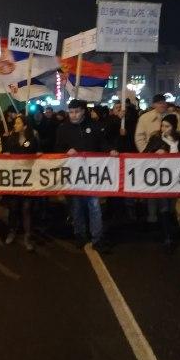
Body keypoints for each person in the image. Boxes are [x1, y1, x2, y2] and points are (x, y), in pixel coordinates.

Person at [55, 100, 117, 252]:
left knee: (94, 206)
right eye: (71, 112)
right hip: (74, 176)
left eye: (76, 112)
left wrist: (110, 151)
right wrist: (67, 150)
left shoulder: (94, 126)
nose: (73, 115)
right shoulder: (63, 129)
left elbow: (102, 143)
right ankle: (80, 235)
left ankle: (97, 238)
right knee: (76, 207)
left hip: (92, 176)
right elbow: (57, 147)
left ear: (83, 111)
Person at [143, 114, 180, 252]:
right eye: (162, 125)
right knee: (164, 206)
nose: (164, 128)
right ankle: (167, 237)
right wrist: (155, 151)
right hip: (161, 179)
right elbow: (144, 154)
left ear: (174, 127)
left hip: (177, 178)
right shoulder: (156, 138)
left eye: (167, 126)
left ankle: (171, 231)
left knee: (172, 206)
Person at [3, 115, 39, 251]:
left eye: (18, 123)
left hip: (28, 179)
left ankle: (28, 236)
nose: (15, 125)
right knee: (13, 207)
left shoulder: (32, 138)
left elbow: (37, 153)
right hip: (14, 178)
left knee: (26, 208)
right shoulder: (11, 138)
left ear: (25, 125)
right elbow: (6, 153)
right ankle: (12, 231)